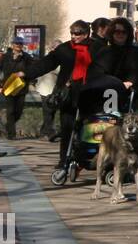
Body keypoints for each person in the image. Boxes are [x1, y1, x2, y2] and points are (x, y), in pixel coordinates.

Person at [20, 20, 108, 172]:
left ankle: (84, 159)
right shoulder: (65, 48)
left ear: (86, 34)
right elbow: (47, 63)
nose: (74, 37)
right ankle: (64, 160)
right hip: (68, 94)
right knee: (67, 127)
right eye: (72, 33)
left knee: (88, 128)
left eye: (78, 34)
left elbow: (105, 68)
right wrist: (27, 73)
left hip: (90, 94)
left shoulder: (98, 48)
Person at [0, 38, 32, 139]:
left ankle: (8, 126)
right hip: (9, 87)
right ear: (12, 45)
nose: (18, 45)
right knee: (10, 111)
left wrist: (25, 73)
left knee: (18, 111)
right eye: (16, 44)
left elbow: (33, 69)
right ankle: (11, 134)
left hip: (21, 88)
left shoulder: (27, 57)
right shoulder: (5, 57)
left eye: (20, 44)